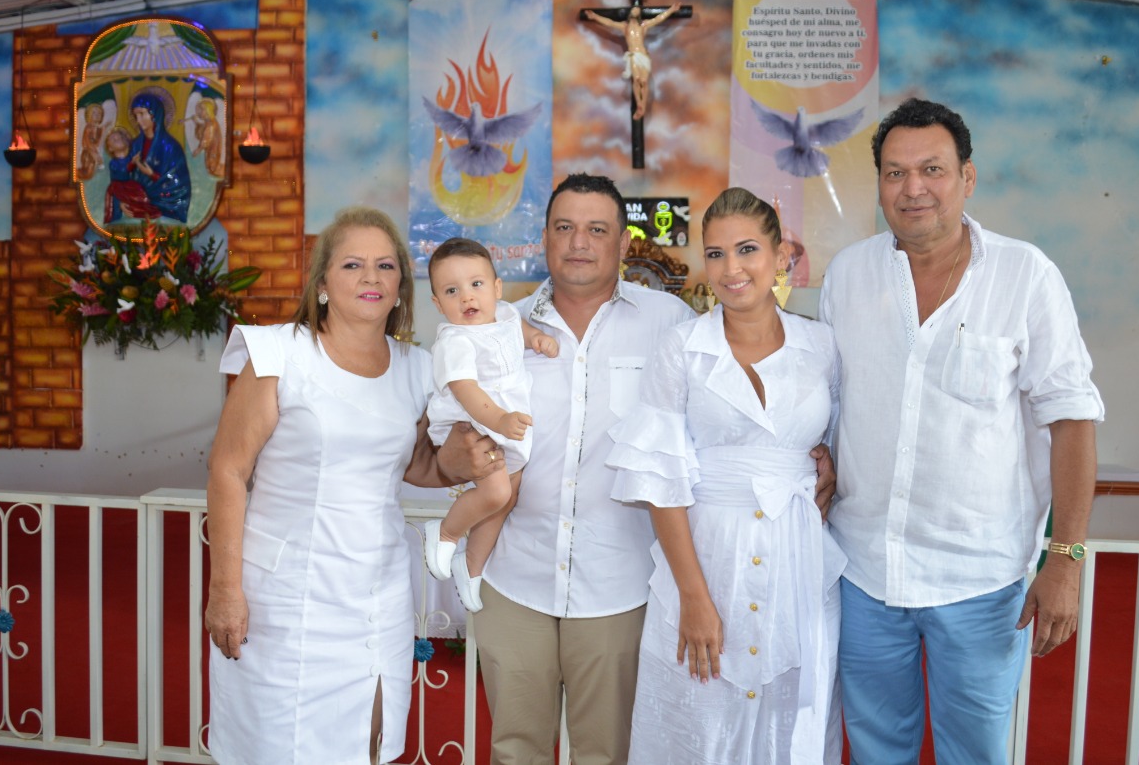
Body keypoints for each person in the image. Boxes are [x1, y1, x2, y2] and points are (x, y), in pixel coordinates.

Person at [471, 172, 838, 764]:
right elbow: (454, 428)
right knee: (515, 750)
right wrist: (461, 448)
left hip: (619, 583)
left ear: (624, 243)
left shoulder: (670, 322)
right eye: (564, 227)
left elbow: (809, 420)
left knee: (608, 753)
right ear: (543, 238)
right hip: (519, 574)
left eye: (597, 229)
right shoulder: (501, 329)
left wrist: (824, 460)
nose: (579, 242)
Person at [819, 98, 1104, 764]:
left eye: (932, 169)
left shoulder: (1025, 275)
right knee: (876, 747)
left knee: (974, 753)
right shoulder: (848, 277)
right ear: (879, 185)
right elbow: (830, 399)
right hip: (864, 571)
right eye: (895, 173)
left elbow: (1071, 418)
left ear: (966, 178)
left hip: (980, 579)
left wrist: (1065, 556)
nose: (913, 188)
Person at [204, 206, 491, 765]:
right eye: (353, 264)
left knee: (369, 741)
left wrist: (463, 461)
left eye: (386, 266)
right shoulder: (278, 353)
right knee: (280, 745)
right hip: (284, 597)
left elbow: (419, 467)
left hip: (377, 593)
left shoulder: (417, 367)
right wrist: (224, 589)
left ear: (401, 287)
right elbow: (227, 471)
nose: (371, 278)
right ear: (322, 283)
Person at [609, 187, 846, 764]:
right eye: (715, 255)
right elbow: (660, 478)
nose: (731, 269)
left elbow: (835, 436)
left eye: (746, 250)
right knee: (699, 725)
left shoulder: (821, 346)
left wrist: (829, 464)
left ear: (781, 255)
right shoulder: (682, 347)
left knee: (791, 728)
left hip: (800, 562)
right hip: (708, 556)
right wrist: (694, 597)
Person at [422, 237, 558, 612]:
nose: (466, 297)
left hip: (505, 425)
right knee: (496, 494)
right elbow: (467, 392)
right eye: (452, 291)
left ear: (497, 289)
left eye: (476, 285)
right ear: (438, 303)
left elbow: (520, 329)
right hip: (475, 425)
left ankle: (471, 566)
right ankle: (446, 530)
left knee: (505, 499)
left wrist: (537, 339)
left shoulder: (506, 315)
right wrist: (499, 418)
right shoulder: (455, 340)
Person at [582, 2, 681, 119]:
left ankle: (642, 106)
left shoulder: (644, 26)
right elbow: (609, 22)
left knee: (644, 82)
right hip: (633, 55)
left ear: (639, 14)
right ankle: (639, 105)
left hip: (643, 55)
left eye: (637, 9)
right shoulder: (625, 27)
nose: (635, 10)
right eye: (633, 9)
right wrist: (595, 17)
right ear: (630, 13)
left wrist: (671, 10)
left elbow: (658, 18)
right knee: (636, 80)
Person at [113, 92, 192, 223]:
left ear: (154, 114)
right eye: (135, 115)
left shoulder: (171, 147)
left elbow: (179, 186)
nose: (138, 120)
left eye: (142, 114)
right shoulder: (135, 145)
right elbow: (123, 180)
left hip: (164, 205)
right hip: (136, 204)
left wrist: (152, 175)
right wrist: (122, 201)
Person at [188, 98, 224, 177]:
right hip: (211, 149)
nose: (200, 112)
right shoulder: (209, 122)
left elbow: (206, 138)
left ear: (208, 110)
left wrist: (198, 149)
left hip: (213, 150)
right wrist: (196, 122)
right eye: (200, 110)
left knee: (212, 167)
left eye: (202, 110)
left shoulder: (211, 124)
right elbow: (203, 131)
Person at [77, 102, 105, 181]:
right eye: (94, 113)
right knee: (88, 171)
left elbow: (97, 142)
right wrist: (96, 155)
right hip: (88, 152)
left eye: (99, 113)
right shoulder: (89, 128)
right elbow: (88, 143)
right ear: (88, 115)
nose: (97, 115)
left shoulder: (98, 128)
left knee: (92, 170)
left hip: (94, 150)